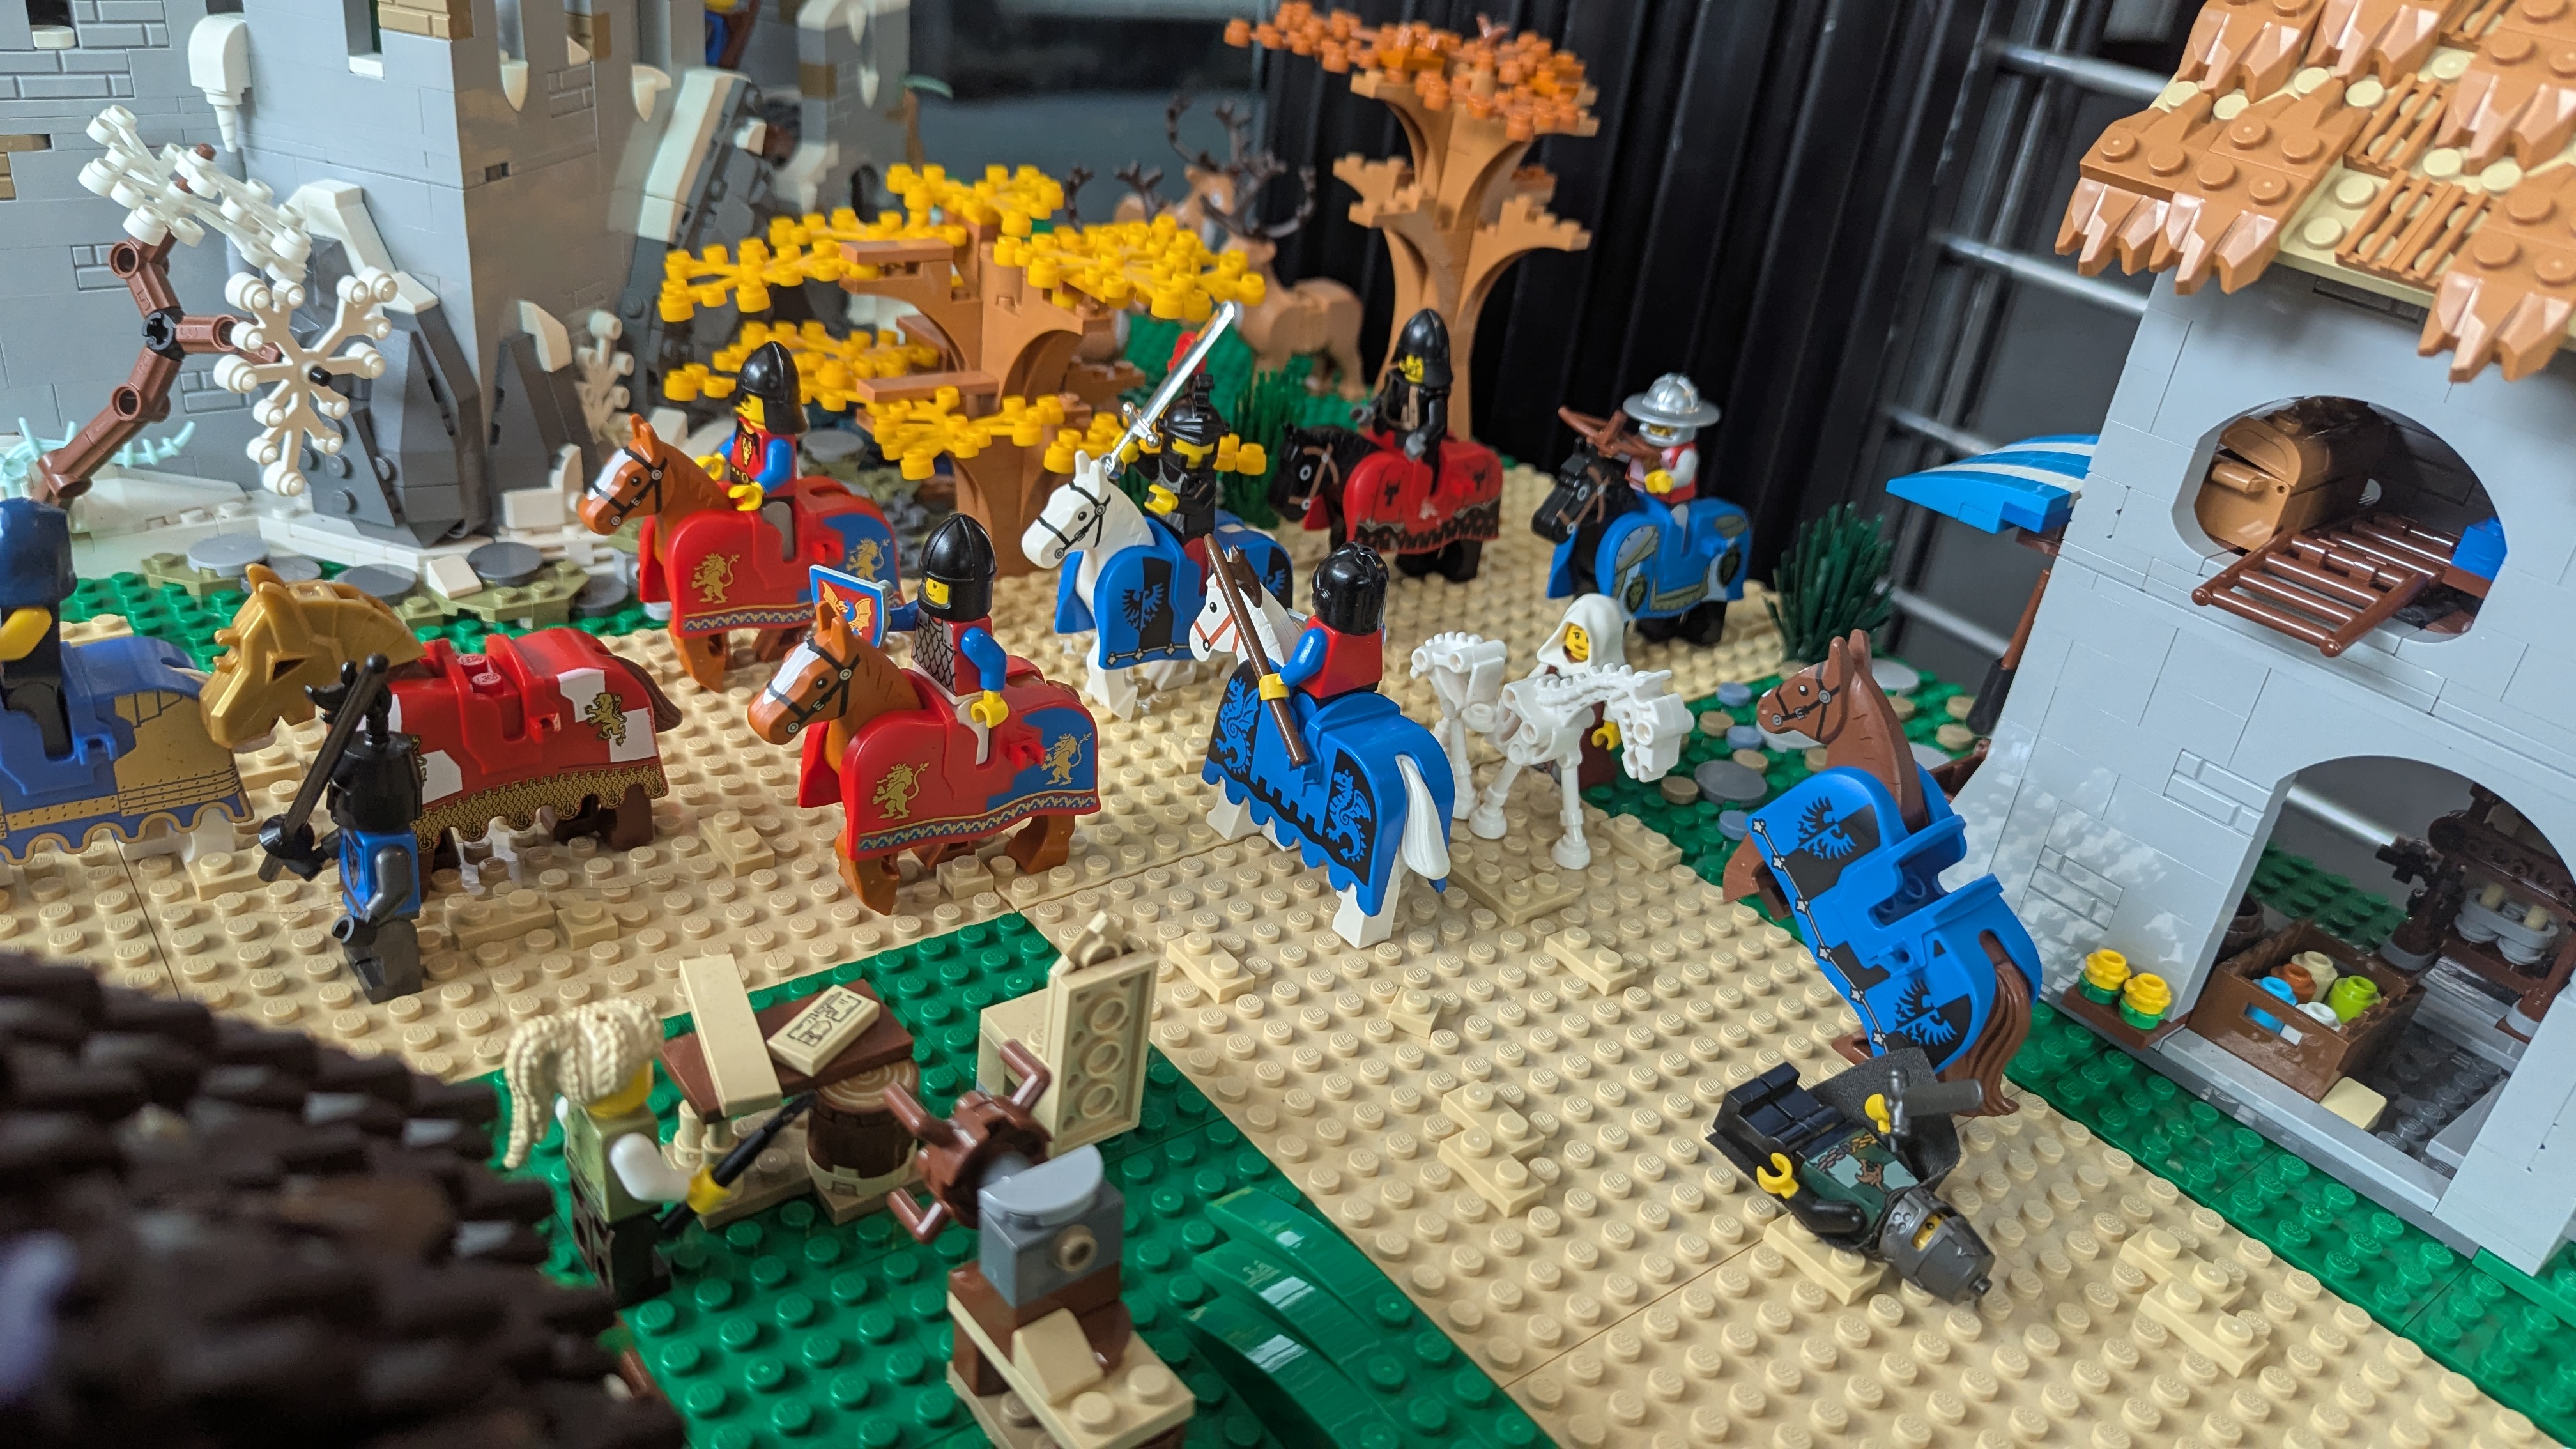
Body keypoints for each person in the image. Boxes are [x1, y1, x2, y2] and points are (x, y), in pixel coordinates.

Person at [500, 999, 730, 1306]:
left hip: (585, 1189)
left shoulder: (569, 1107)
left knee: (591, 1235)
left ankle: (588, 1253)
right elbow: (648, 1185)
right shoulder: (628, 1144)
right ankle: (631, 1289)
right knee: (629, 1258)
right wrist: (693, 1187)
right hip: (624, 1218)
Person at [257, 661, 427, 1003]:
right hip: (360, 906)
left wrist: (369, 919)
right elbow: (341, 843)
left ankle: (397, 983)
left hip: (384, 918)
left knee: (394, 946)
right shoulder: (357, 833)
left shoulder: (390, 849)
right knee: (365, 944)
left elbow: (395, 889)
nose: (336, 798)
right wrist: (316, 858)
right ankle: (365, 959)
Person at [887, 514, 1009, 729]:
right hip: (922, 678)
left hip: (961, 702)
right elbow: (903, 617)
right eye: (930, 585)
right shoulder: (923, 611)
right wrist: (883, 618)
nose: (931, 591)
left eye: (937, 587)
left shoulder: (971, 637)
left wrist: (992, 700)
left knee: (971, 735)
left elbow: (995, 660)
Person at [1261, 542, 1388, 707]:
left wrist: (1281, 679)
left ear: (1324, 600)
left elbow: (1303, 666)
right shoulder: (1379, 631)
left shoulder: (1318, 637)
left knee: (1290, 707)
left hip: (1319, 700)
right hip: (1367, 692)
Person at [0, 499, 73, 758]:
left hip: (32, 684)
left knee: (37, 714)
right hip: (16, 683)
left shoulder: (35, 615)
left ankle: (52, 759)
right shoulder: (18, 603)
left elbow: (13, 645)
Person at [1142, 372, 1227, 572]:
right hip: (1158, 524)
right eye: (1185, 448)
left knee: (1194, 561)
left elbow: (1197, 502)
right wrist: (1134, 456)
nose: (1194, 457)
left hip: (1190, 535)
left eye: (1203, 450)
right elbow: (1151, 469)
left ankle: (1198, 588)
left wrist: (1175, 502)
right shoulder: (1165, 463)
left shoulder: (1205, 479)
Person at [1620, 372, 1721, 525]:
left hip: (1669, 503)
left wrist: (1669, 479)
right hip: (1635, 493)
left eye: (1664, 428)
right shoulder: (1640, 441)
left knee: (1676, 521)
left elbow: (1684, 474)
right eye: (1654, 426)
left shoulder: (1686, 453)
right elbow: (1629, 455)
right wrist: (1615, 451)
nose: (1658, 431)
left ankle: (1678, 539)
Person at [1368, 309, 1451, 474]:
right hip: (1392, 433)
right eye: (1406, 358)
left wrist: (1421, 437)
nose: (1409, 365)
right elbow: (1384, 397)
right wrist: (1370, 409)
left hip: (1415, 442)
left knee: (1422, 470)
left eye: (1416, 361)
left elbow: (1436, 423)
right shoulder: (1396, 379)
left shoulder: (1433, 396)